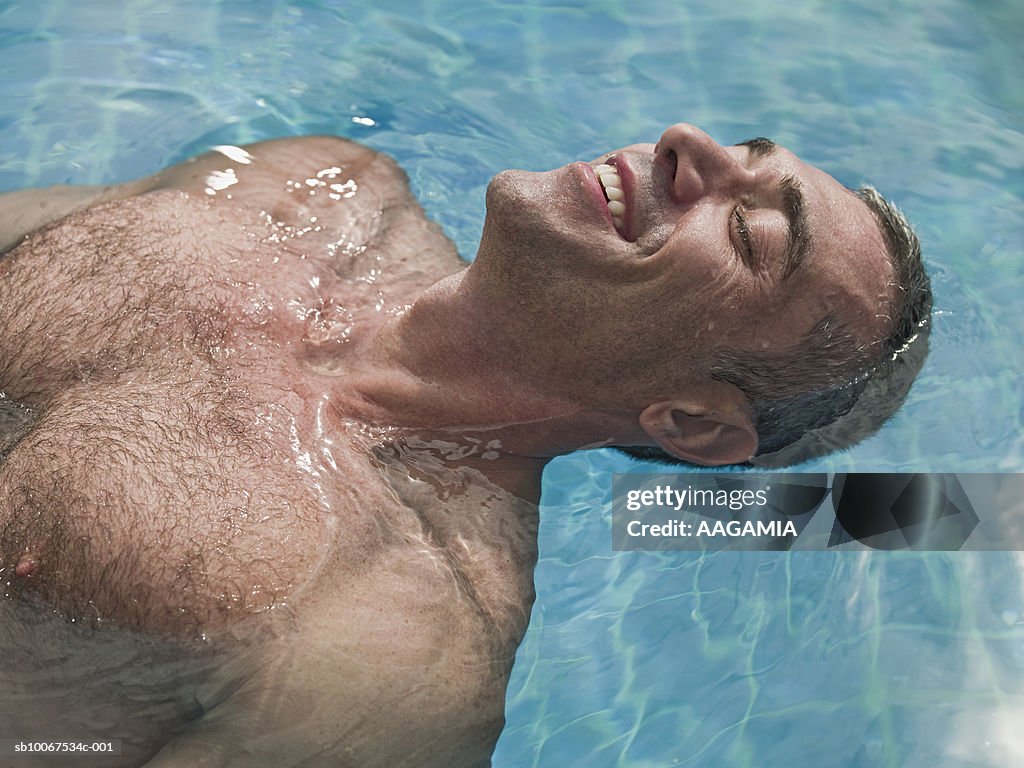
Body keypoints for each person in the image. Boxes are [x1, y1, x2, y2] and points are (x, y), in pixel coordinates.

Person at [0, 123, 930, 767]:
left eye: (748, 231)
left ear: (687, 423)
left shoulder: (393, 660)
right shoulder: (306, 185)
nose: (690, 143)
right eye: (744, 152)